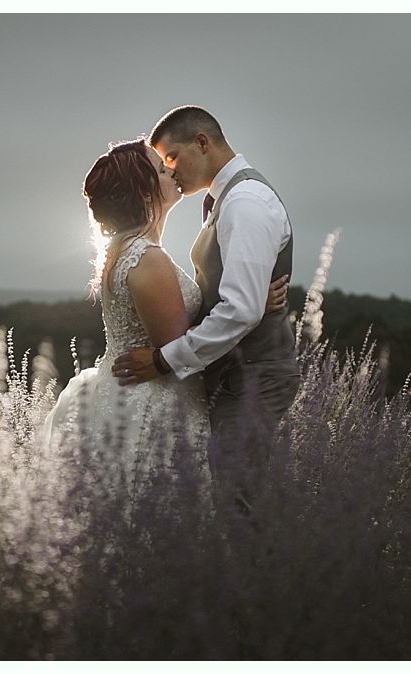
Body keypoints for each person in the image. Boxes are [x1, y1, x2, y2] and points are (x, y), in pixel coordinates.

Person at [40, 138, 288, 510]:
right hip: (152, 406)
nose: (171, 170)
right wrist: (249, 304)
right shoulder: (147, 258)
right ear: (144, 194)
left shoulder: (124, 250)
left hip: (122, 394)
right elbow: (176, 347)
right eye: (160, 169)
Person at [111, 106, 300, 526]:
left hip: (252, 377)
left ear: (202, 142)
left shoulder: (246, 203)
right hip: (231, 374)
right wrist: (245, 304)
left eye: (172, 157)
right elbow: (241, 301)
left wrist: (163, 360)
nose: (170, 170)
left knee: (234, 508)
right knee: (223, 503)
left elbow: (241, 309)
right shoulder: (225, 199)